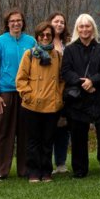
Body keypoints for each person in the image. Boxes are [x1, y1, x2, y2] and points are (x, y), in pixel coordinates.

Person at [61, 14, 100, 178]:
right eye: (81, 26)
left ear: (93, 28)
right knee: (78, 136)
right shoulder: (70, 49)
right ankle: (80, 170)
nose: (84, 29)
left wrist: (93, 81)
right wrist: (83, 83)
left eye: (87, 26)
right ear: (77, 29)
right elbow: (65, 71)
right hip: (78, 99)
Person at [0, 9, 35, 180]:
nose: (16, 23)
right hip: (6, 92)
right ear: (7, 23)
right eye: (12, 21)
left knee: (25, 132)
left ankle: (25, 169)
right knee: (3, 131)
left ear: (23, 22)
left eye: (19, 20)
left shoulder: (30, 41)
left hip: (25, 92)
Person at [16, 21, 65, 183]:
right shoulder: (29, 55)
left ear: (52, 37)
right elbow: (21, 79)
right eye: (42, 35)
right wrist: (28, 96)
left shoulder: (58, 56)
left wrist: (58, 97)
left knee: (47, 141)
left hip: (51, 105)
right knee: (33, 141)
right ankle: (33, 172)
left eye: (48, 35)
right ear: (37, 37)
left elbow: (62, 80)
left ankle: (46, 171)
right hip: (32, 105)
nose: (45, 37)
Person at [47, 11, 71, 176]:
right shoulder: (42, 42)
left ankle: (61, 163)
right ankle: (45, 162)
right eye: (56, 21)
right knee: (48, 128)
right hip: (48, 90)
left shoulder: (68, 43)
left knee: (63, 127)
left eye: (62, 22)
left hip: (65, 90)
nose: (59, 24)